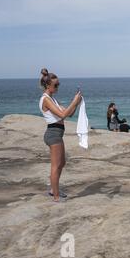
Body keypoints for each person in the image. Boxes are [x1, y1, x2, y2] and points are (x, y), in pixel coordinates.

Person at [39, 68, 82, 202]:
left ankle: (54, 189)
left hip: (57, 134)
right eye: (55, 85)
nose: (57, 87)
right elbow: (62, 115)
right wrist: (74, 102)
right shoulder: (46, 99)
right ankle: (56, 196)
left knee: (61, 163)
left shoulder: (52, 99)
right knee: (56, 165)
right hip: (53, 134)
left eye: (58, 84)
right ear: (47, 85)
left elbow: (68, 114)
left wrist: (77, 104)